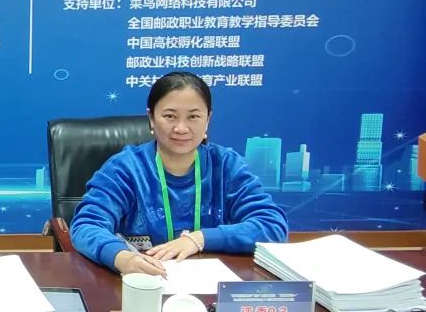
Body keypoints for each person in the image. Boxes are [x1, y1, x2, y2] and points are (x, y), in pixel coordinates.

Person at [70, 71, 288, 277]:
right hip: (143, 283)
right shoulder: (126, 168)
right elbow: (86, 225)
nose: (181, 128)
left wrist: (200, 239)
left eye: (193, 116)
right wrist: (122, 258)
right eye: (170, 116)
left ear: (208, 119)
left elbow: (272, 225)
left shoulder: (226, 165)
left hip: (210, 285)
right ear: (152, 118)